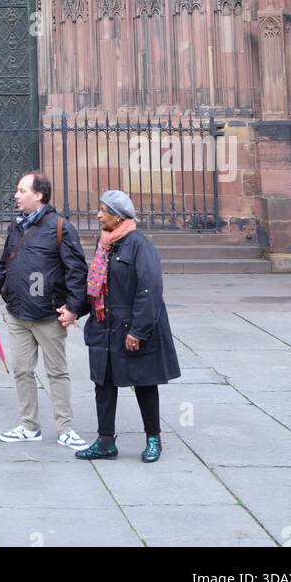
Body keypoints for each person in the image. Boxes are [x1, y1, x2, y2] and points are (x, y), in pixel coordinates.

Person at [64, 190, 180, 462]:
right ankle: (106, 442)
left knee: (144, 383)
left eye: (103, 210)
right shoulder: (104, 243)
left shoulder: (139, 245)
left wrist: (138, 331)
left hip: (132, 329)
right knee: (103, 385)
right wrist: (73, 311)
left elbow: (149, 289)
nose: (98, 214)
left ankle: (154, 439)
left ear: (118, 216)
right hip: (104, 327)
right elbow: (95, 289)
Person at [0, 171, 89, 450]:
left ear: (38, 195)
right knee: (21, 370)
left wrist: (74, 309)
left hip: (47, 314)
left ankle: (65, 428)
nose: (16, 196)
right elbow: (6, 264)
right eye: (17, 190)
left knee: (57, 372)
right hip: (18, 313)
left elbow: (77, 271)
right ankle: (29, 426)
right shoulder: (16, 226)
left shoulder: (60, 227)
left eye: (21, 191)